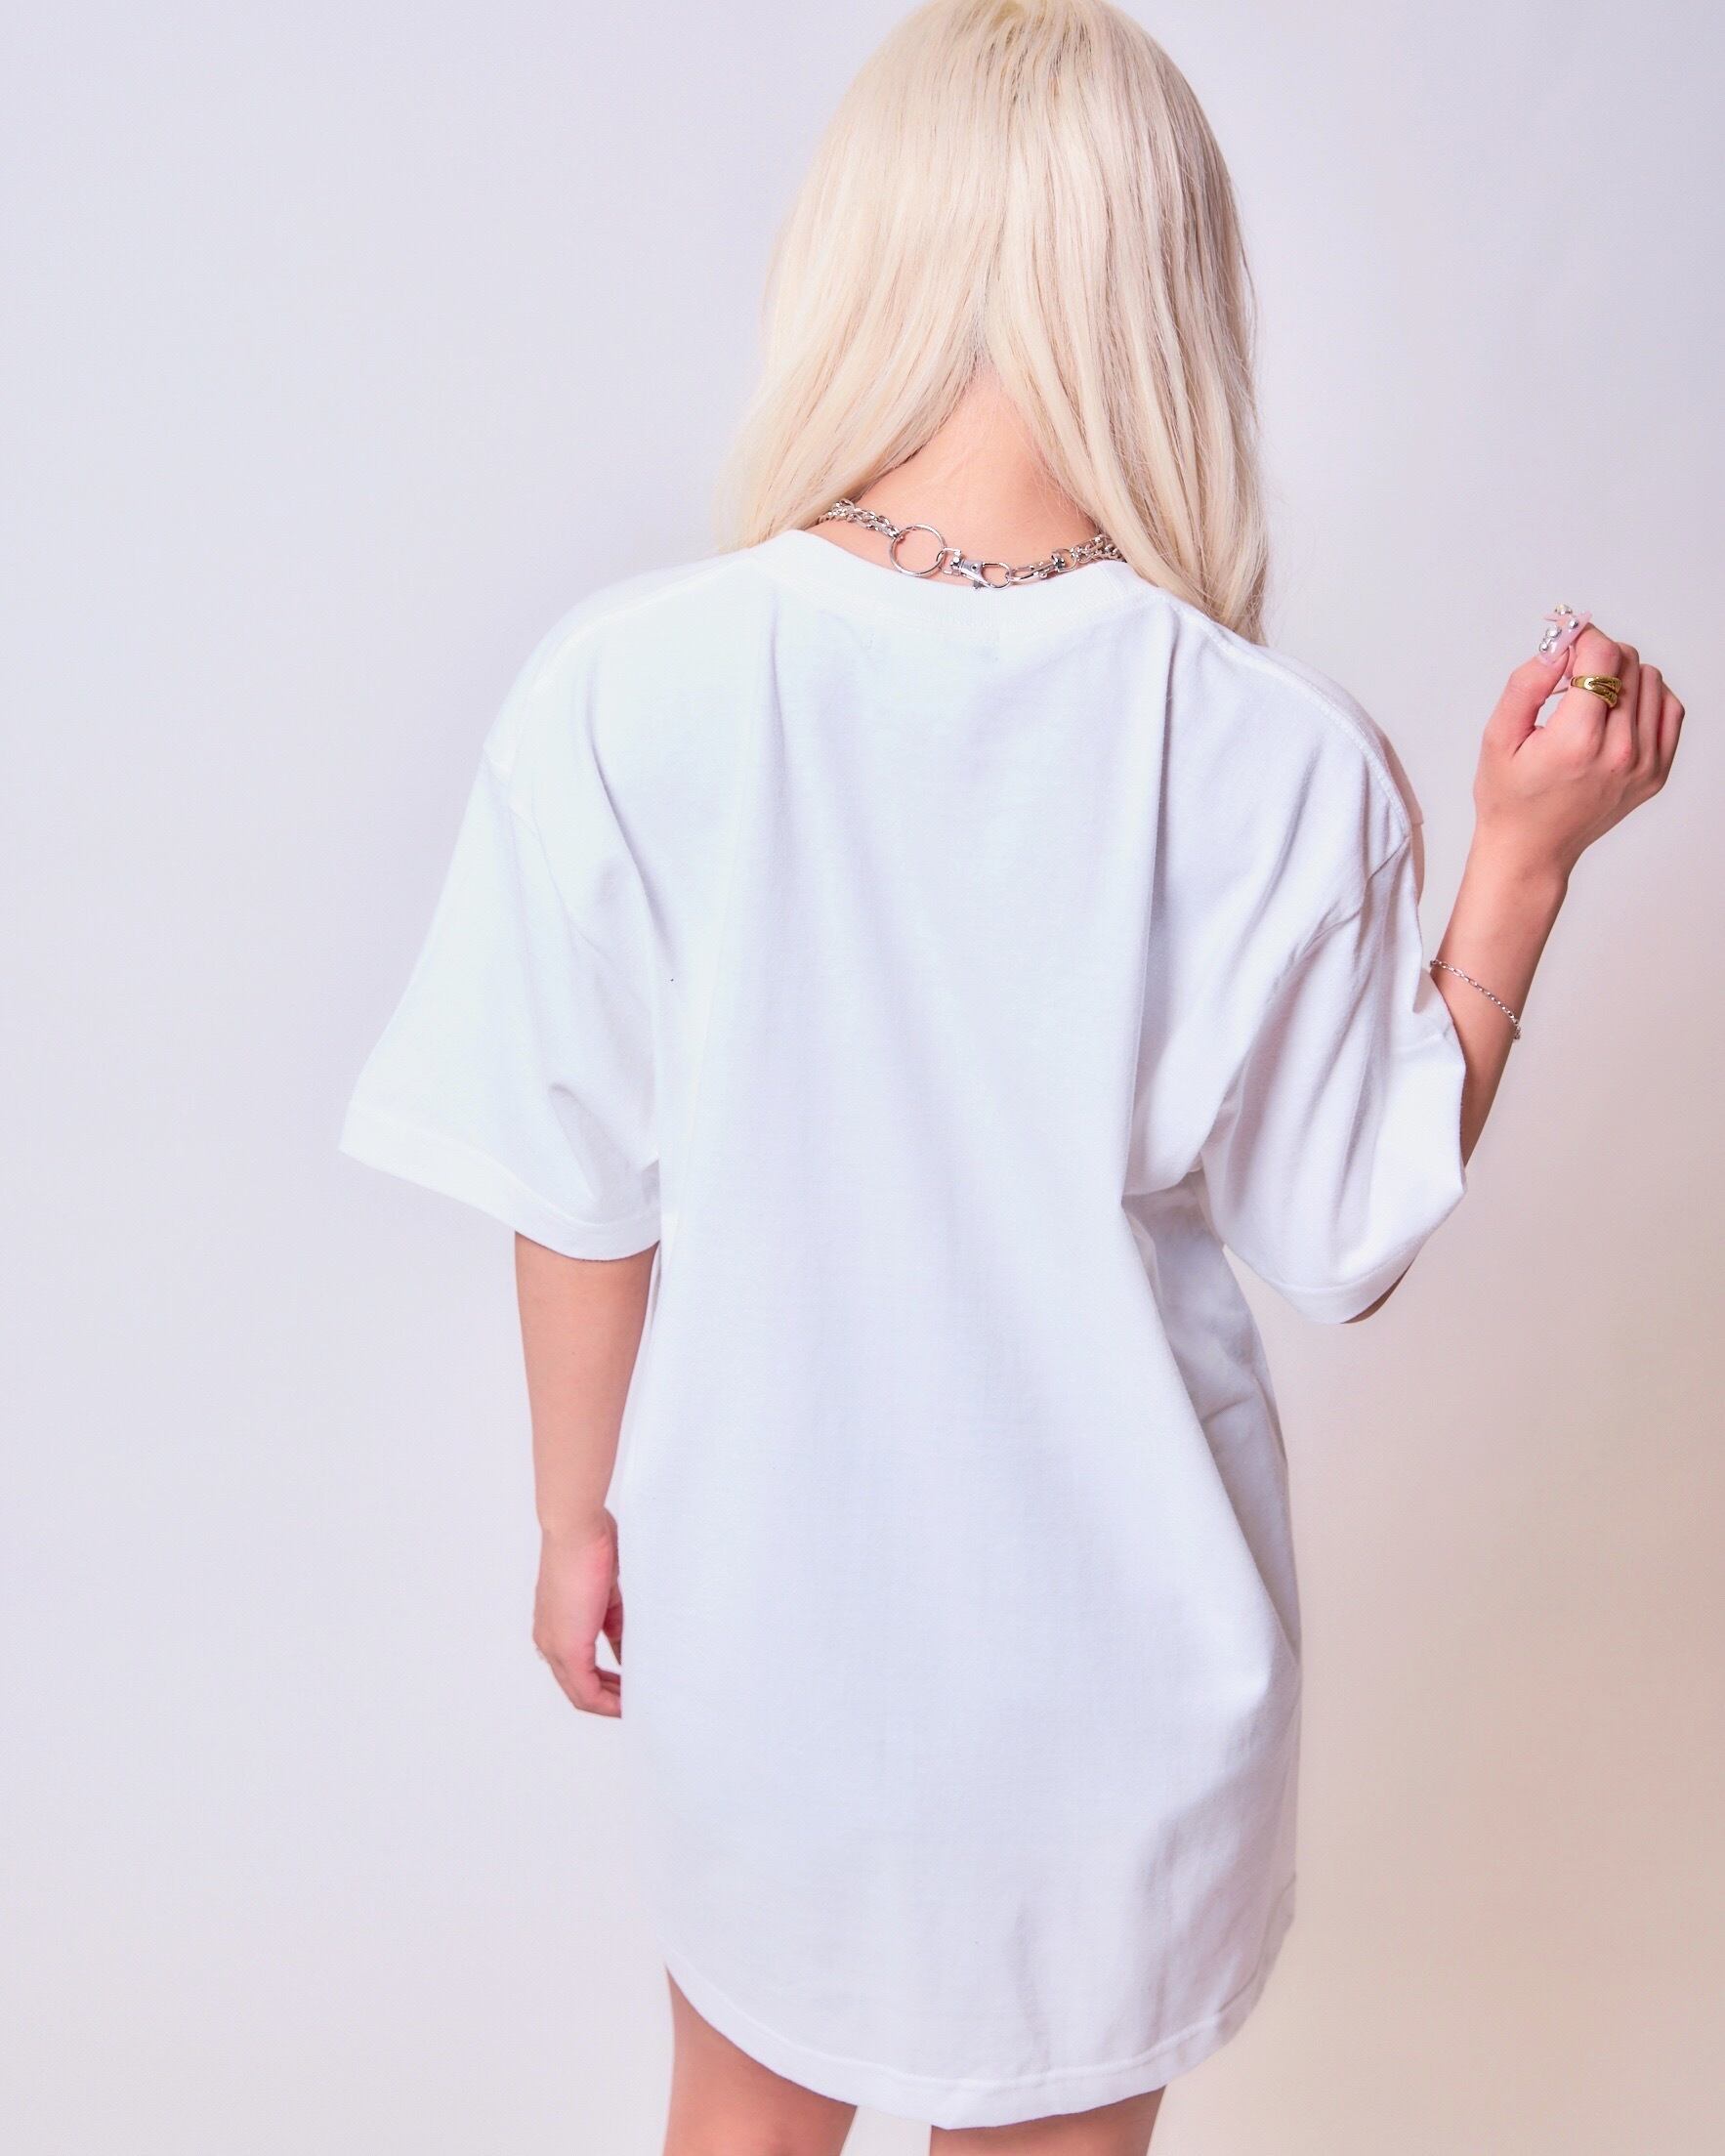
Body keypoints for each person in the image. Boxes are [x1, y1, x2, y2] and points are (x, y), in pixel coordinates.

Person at [339, 3, 1685, 2150]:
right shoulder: (1270, 754)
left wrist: (573, 1514)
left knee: (737, 2129)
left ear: (854, 257)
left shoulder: (630, 688)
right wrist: (1519, 864)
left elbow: (576, 1177)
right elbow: (1343, 1233)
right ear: (1172, 292)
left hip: (764, 1627)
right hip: (1121, 1683)